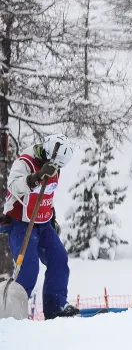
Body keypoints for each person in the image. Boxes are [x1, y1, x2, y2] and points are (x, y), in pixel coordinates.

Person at [1, 134, 80, 318]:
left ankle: (56, 308)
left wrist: (51, 216)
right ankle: (14, 313)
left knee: (59, 259)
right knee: (28, 269)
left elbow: (46, 195)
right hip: (21, 223)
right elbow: (13, 186)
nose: (57, 169)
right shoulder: (25, 162)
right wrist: (36, 177)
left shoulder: (55, 167)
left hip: (43, 224)